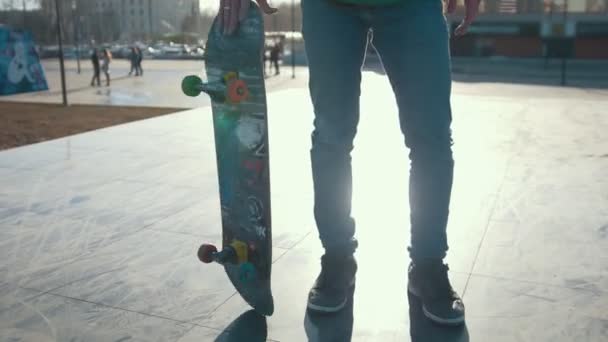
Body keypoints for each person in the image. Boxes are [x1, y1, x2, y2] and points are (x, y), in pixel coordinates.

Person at [220, 0, 480, 326]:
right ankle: (338, 257)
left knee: (432, 138)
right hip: (330, 7)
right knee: (332, 136)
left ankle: (428, 263)